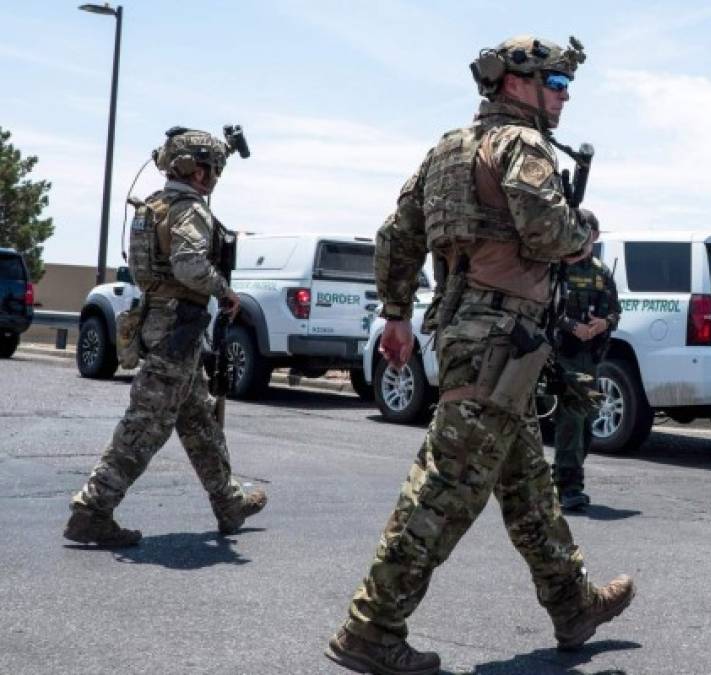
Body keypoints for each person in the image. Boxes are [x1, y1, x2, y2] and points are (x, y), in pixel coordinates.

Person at [326, 36, 635, 675]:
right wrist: (585, 234)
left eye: (566, 84)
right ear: (514, 83)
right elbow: (548, 231)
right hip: (501, 340)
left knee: (526, 486)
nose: (564, 95)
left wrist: (395, 314)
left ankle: (572, 605)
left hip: (478, 336)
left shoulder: (446, 150)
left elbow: (395, 235)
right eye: (555, 82)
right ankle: (372, 627)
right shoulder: (521, 146)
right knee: (446, 487)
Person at [63, 127, 267, 547]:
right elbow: (190, 264)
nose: (213, 178)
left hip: (164, 322)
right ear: (194, 169)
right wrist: (223, 291)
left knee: (198, 420)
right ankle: (92, 508)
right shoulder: (188, 209)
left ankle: (228, 502)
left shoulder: (153, 206)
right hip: (177, 326)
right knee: (147, 424)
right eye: (211, 168)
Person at [552, 214, 620, 511]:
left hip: (590, 358)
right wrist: (571, 326)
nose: (586, 237)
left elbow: (616, 311)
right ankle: (569, 486)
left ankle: (566, 476)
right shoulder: (556, 267)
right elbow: (545, 306)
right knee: (572, 418)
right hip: (561, 353)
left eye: (590, 232)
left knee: (587, 423)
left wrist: (603, 324)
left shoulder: (601, 272)